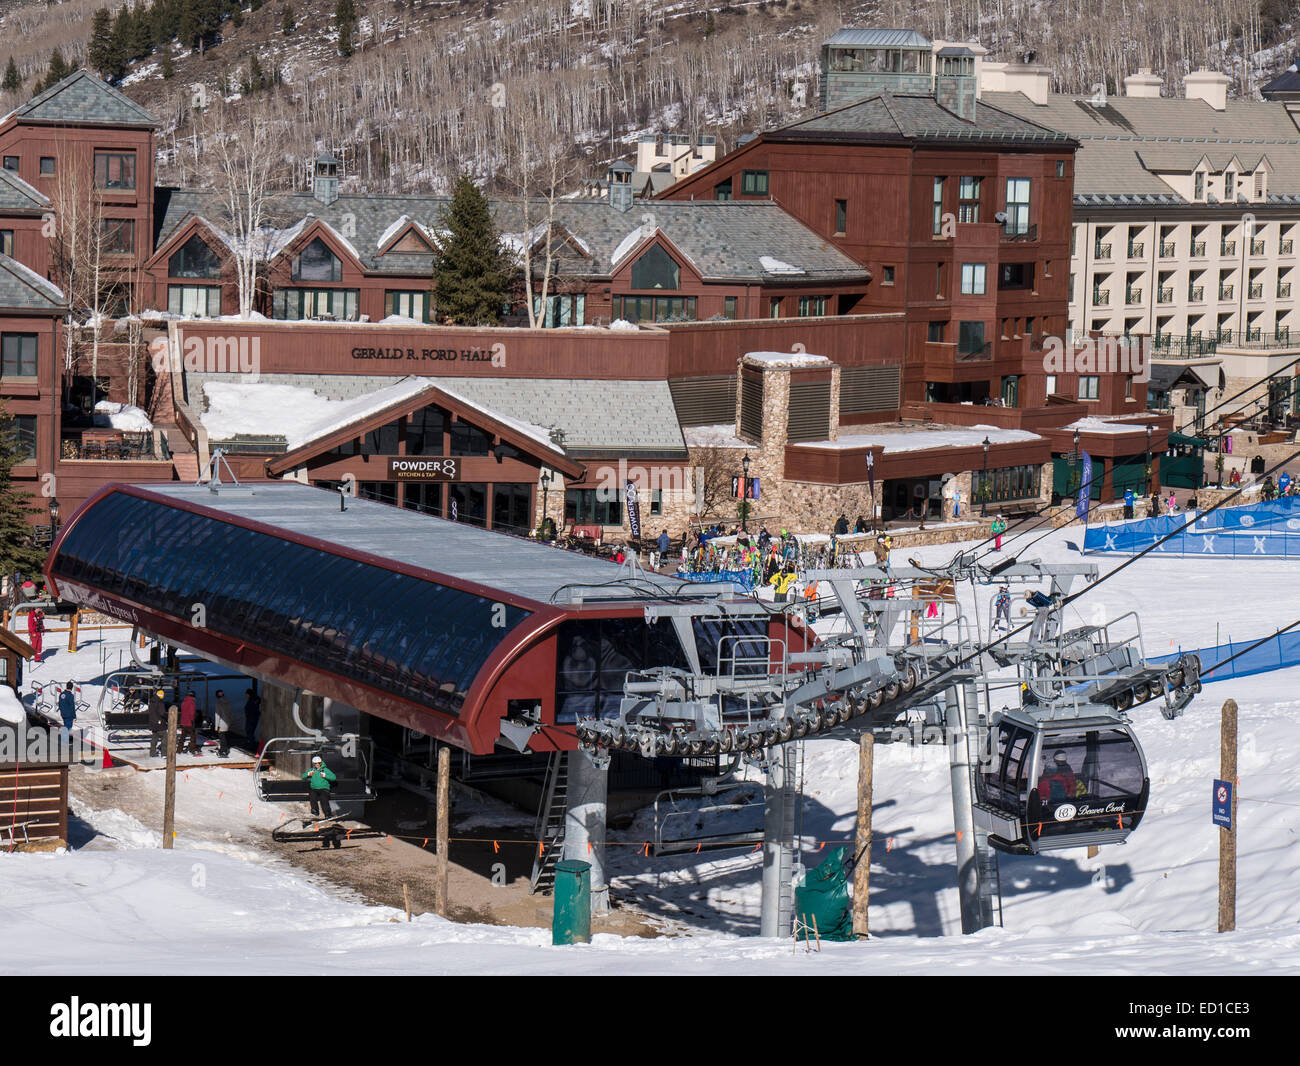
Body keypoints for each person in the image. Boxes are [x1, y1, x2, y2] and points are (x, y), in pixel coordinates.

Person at [302, 755, 337, 819]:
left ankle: (327, 813)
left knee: (324, 798)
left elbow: (333, 777)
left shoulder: (325, 770)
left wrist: (325, 776)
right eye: (315, 763)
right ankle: (315, 811)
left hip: (323, 788)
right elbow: (303, 777)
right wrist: (308, 774)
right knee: (312, 796)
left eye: (319, 763)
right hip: (314, 789)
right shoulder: (312, 770)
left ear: (321, 763)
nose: (317, 764)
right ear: (313, 764)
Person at [213, 688, 240, 757]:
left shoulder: (218, 703)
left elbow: (217, 716)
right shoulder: (228, 702)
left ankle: (223, 750)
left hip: (221, 724)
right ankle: (225, 748)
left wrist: (216, 726)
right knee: (225, 736)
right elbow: (231, 713)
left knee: (222, 737)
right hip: (227, 722)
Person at [148, 688, 168, 758]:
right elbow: (162, 713)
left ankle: (152, 753)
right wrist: (167, 717)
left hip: (153, 723)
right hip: (160, 723)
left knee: (154, 738)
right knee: (165, 738)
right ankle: (164, 753)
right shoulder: (160, 702)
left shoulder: (151, 701)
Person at [179, 689, 200, 755]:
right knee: (193, 736)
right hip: (189, 722)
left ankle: (179, 749)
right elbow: (192, 713)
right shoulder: (192, 702)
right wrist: (193, 720)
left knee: (182, 737)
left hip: (183, 722)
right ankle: (192, 749)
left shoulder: (184, 702)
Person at [57, 681, 76, 745]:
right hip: (69, 714)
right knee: (68, 727)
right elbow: (72, 706)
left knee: (65, 726)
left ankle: (64, 739)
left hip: (63, 713)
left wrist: (62, 711)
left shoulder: (61, 694)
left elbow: (59, 704)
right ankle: (65, 740)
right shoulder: (70, 696)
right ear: (71, 688)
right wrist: (74, 715)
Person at [244, 688, 261, 753]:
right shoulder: (255, 700)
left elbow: (251, 709)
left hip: (251, 717)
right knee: (250, 731)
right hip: (253, 717)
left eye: (246, 694)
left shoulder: (252, 700)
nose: (246, 695)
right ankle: (250, 743)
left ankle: (251, 745)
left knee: (249, 730)